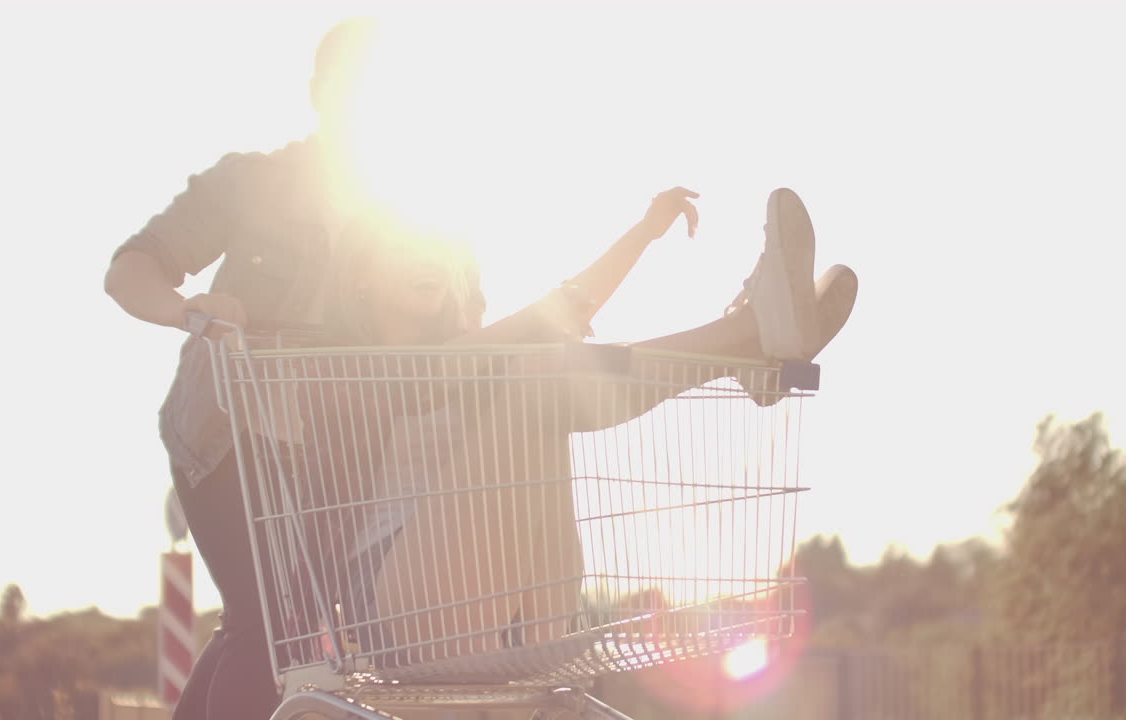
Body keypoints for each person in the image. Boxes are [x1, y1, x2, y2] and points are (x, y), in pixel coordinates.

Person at [105, 16, 857, 719]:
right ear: (320, 94)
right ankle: (745, 339)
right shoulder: (263, 191)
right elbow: (133, 270)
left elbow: (554, 314)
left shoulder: (427, 250)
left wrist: (643, 231)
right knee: (271, 618)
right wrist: (195, 309)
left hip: (400, 511)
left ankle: (747, 341)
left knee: (270, 621)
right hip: (236, 429)